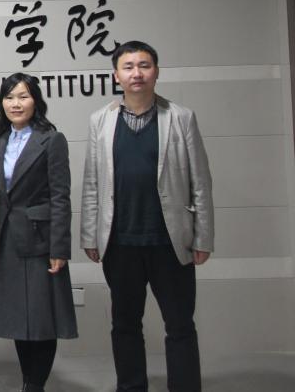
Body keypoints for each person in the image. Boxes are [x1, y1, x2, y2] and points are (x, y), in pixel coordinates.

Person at [81, 40, 214, 392]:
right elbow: (92, 182)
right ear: (116, 75)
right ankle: (131, 387)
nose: (136, 73)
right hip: (120, 242)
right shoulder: (101, 120)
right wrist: (89, 235)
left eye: (144, 65)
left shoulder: (181, 117)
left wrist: (203, 238)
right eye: (128, 67)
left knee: (180, 325)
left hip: (170, 242)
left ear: (156, 72)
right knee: (125, 325)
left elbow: (200, 182)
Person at [0, 73, 78, 392]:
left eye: (23, 96)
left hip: (40, 239)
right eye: (9, 97)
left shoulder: (51, 139)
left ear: (36, 101)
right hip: (7, 238)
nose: (16, 103)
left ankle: (35, 384)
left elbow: (60, 196)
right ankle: (28, 379)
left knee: (41, 317)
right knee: (18, 317)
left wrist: (59, 247)